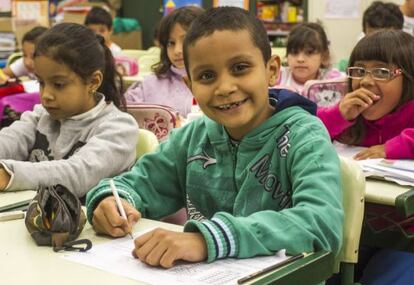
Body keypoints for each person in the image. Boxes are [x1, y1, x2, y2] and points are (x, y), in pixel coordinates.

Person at [87, 7, 343, 268]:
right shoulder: (192, 138)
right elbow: (138, 184)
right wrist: (111, 201)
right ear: (191, 86)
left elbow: (322, 224)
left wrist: (207, 239)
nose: (225, 88)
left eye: (240, 68)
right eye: (207, 76)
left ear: (272, 70)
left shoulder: (305, 136)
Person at [0, 23, 139, 200]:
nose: (46, 95)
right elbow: (10, 140)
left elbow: (76, 175)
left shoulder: (120, 128)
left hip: (89, 226)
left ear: (93, 82)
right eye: (41, 83)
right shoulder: (41, 115)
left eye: (58, 84)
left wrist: (8, 174)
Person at [318, 30, 414, 160]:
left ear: (409, 77)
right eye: (359, 71)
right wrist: (338, 115)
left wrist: (392, 147)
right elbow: (305, 130)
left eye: (381, 71)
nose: (365, 81)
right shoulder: (350, 114)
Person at [124, 6, 204, 117]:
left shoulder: (214, 81)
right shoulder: (150, 83)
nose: (177, 51)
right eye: (171, 43)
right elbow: (122, 110)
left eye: (185, 40)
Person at [275, 22, 344, 94]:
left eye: (309, 52)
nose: (300, 59)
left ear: (324, 57)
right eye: (294, 52)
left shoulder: (334, 81)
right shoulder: (277, 77)